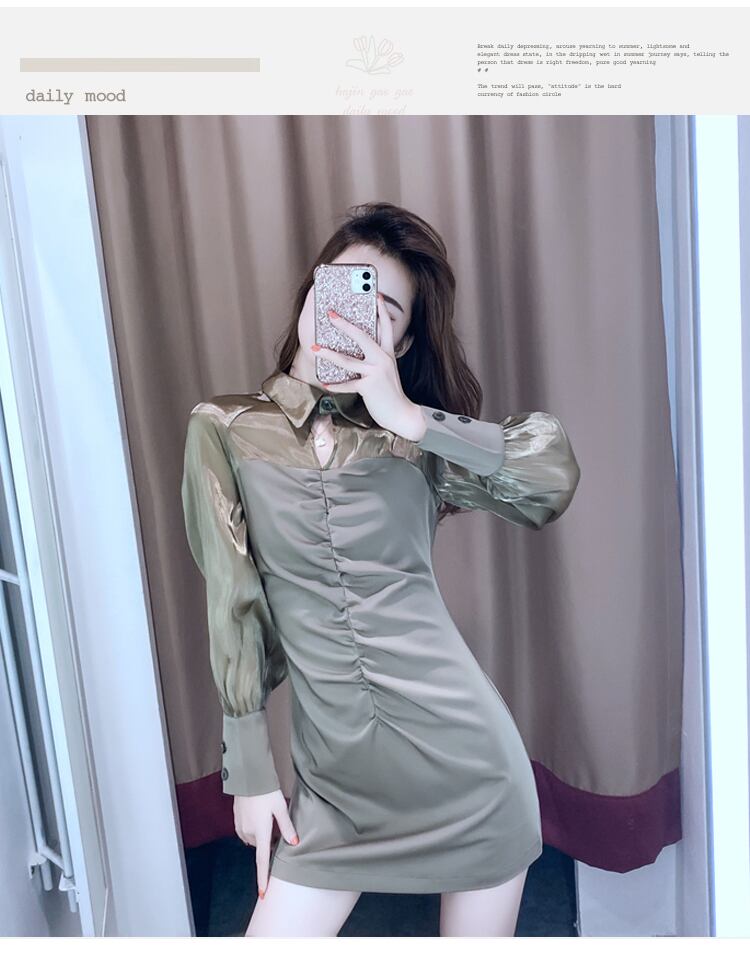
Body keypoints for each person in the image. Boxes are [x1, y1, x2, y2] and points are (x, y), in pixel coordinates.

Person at [181, 201, 581, 937]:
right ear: (311, 292)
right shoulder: (226, 429)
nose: (348, 313)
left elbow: (550, 478)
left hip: (469, 772)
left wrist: (411, 417)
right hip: (333, 792)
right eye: (337, 285)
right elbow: (232, 604)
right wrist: (250, 771)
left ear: (401, 339)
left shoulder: (415, 441)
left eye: (382, 308)